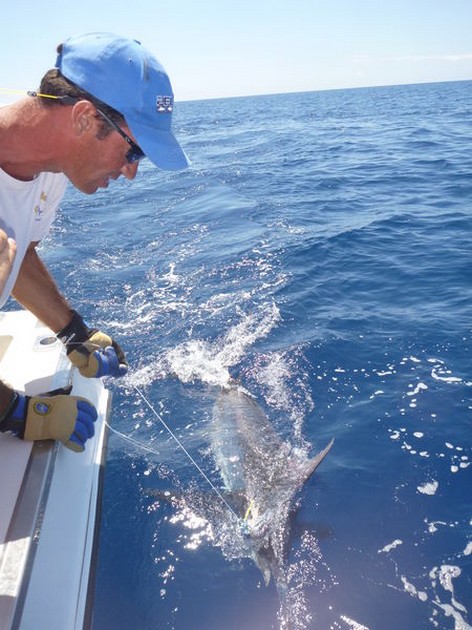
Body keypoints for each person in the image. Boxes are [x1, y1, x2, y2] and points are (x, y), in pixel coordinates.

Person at [0, 32, 189, 452]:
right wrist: (13, 410)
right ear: (84, 118)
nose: (130, 173)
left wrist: (72, 330)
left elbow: (17, 253)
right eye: (133, 153)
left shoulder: (50, 169)